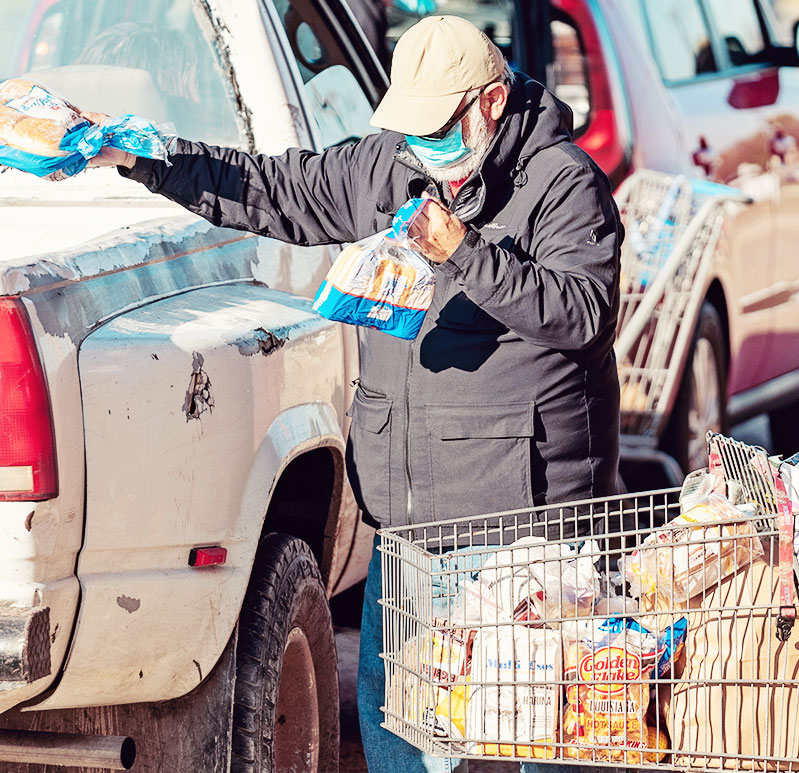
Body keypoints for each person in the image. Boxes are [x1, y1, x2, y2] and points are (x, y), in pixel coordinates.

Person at [87, 15, 621, 772]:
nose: (422, 148)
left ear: (492, 104)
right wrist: (146, 157)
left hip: (522, 533)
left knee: (533, 743)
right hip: (409, 533)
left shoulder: (564, 182)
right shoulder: (394, 165)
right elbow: (277, 189)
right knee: (399, 739)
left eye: (437, 130)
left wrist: (463, 252)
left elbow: (583, 312)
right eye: (411, 131)